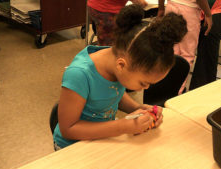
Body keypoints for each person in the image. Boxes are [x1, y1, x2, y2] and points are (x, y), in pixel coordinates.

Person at [53, 4, 188, 149]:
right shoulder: (79, 74)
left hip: (102, 138)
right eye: (143, 83)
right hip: (72, 147)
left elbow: (113, 93)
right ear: (121, 65)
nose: (146, 88)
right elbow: (68, 129)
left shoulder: (116, 63)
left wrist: (138, 108)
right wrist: (121, 127)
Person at [157, 0, 212, 94]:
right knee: (186, 55)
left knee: (169, 50)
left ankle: (161, 88)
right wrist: (208, 14)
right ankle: (176, 92)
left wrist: (161, 8)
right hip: (189, 11)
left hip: (170, 7)